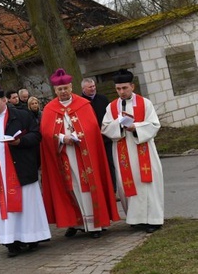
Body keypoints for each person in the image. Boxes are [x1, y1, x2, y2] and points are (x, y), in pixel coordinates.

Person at [40, 69, 120, 239]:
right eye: (59, 89)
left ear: (71, 87)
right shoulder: (49, 109)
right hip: (64, 156)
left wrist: (78, 136)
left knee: (87, 188)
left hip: (84, 156)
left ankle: (94, 224)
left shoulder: (83, 105)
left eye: (66, 88)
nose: (63, 92)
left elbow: (92, 129)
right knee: (70, 188)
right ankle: (76, 223)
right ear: (55, 90)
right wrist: (61, 138)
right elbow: (46, 133)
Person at [0, 84, 51, 257]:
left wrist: (20, 142)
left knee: (27, 206)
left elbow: (36, 135)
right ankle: (11, 241)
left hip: (21, 169)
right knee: (6, 209)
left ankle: (31, 237)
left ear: (4, 100)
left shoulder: (21, 116)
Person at [102, 69, 165, 233]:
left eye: (124, 88)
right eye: (118, 89)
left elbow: (154, 125)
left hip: (144, 150)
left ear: (132, 86)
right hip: (123, 152)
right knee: (128, 184)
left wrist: (135, 127)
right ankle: (136, 219)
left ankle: (153, 219)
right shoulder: (111, 107)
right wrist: (119, 125)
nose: (121, 92)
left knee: (148, 183)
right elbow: (105, 127)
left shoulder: (145, 103)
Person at [81, 77, 117, 187]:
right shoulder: (81, 103)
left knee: (111, 163)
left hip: (106, 137)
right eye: (90, 87)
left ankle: (114, 187)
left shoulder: (103, 99)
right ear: (83, 88)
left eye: (94, 86)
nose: (93, 89)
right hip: (91, 140)